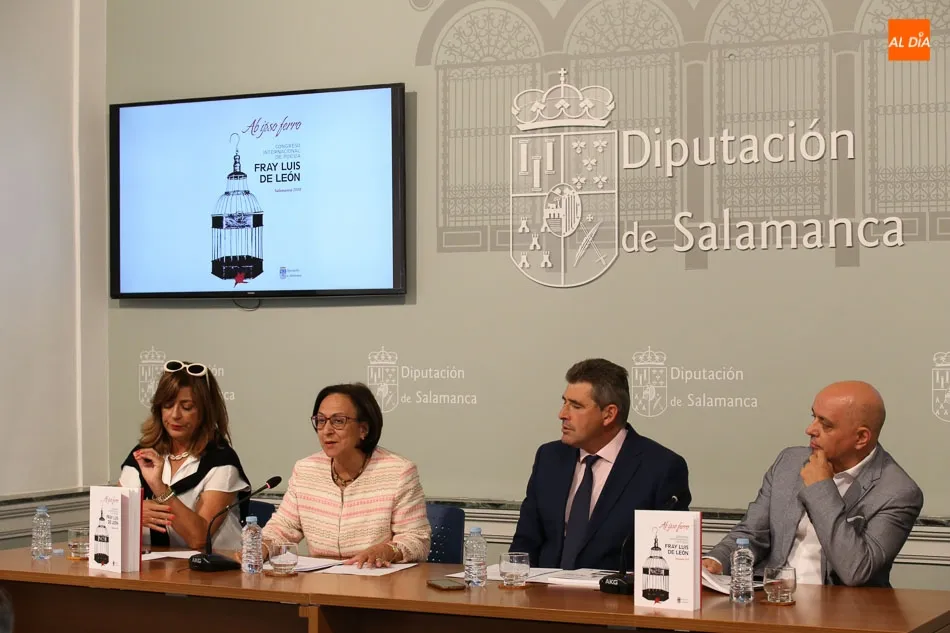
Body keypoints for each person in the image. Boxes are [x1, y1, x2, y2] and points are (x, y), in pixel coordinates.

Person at [703, 380, 923, 587]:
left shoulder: (898, 493)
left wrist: (821, 488)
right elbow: (752, 532)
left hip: (841, 612)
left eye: (825, 424)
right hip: (772, 598)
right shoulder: (789, 462)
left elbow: (857, 570)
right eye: (814, 417)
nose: (810, 429)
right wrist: (716, 560)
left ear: (861, 438)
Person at [510, 358, 691, 571]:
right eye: (564, 402)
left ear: (609, 414)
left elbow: (667, 561)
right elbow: (525, 541)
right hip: (544, 595)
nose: (562, 414)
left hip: (616, 599)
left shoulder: (660, 467)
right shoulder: (549, 458)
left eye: (576, 406)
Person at [262, 383, 430, 567]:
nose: (327, 430)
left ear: (363, 429)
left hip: (374, 580)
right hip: (319, 584)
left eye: (338, 421)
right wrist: (263, 546)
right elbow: (283, 527)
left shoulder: (398, 472)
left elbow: (417, 540)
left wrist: (387, 551)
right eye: (320, 420)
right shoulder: (306, 470)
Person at [118, 360, 251, 552]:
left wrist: (161, 490)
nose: (175, 415)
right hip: (152, 570)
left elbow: (198, 539)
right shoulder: (142, 454)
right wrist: (131, 513)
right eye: (168, 405)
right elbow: (110, 516)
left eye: (187, 407)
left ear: (205, 412)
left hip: (213, 574)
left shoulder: (221, 462)